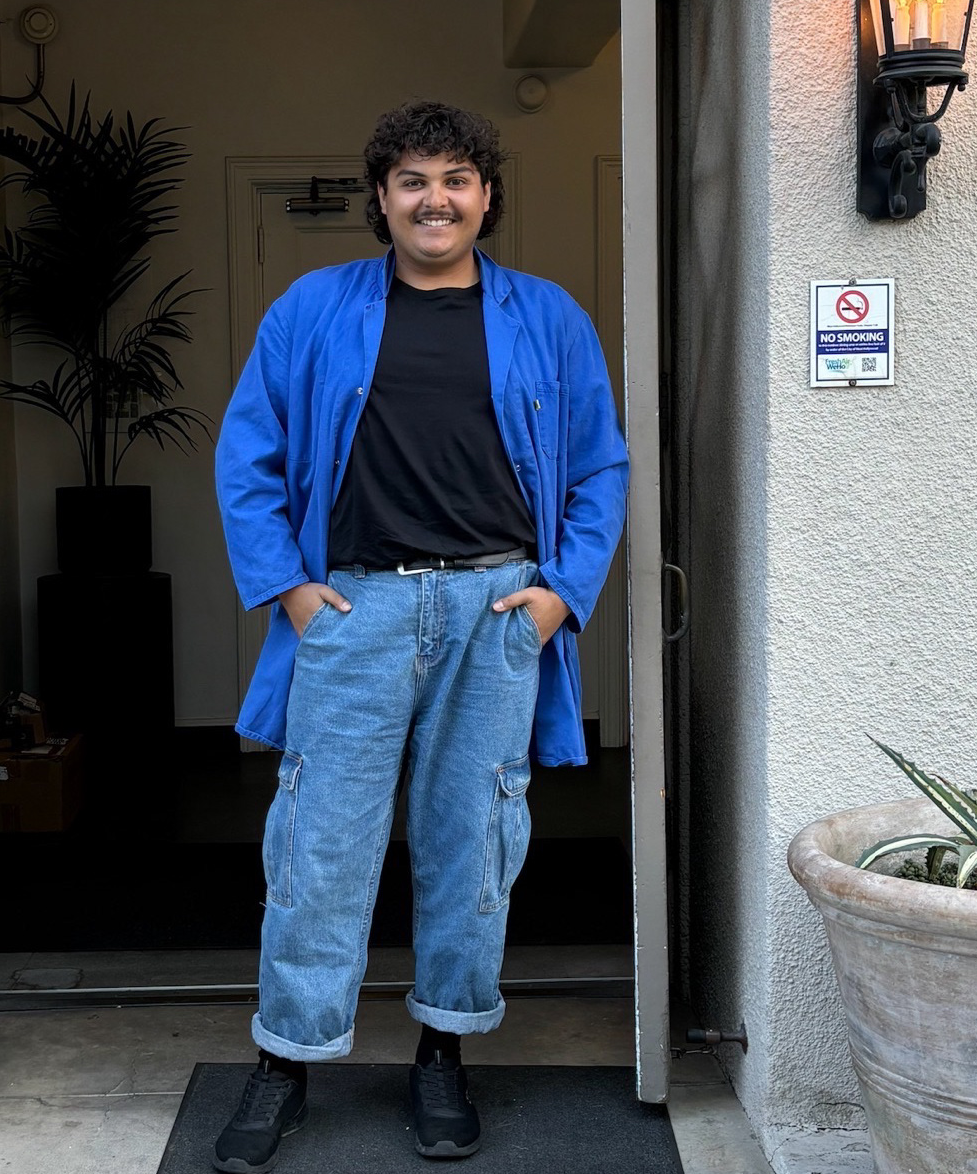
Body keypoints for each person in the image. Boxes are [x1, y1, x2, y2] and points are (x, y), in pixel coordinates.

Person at [212, 100, 629, 1172]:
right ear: (382, 198)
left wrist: (559, 596)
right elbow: (247, 457)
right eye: (412, 180)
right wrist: (290, 591)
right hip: (355, 612)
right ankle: (286, 1058)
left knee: (472, 841)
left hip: (496, 612)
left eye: (455, 179)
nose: (433, 199)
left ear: (486, 196)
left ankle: (442, 1049)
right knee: (318, 845)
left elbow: (599, 467)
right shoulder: (313, 308)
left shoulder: (547, 318)